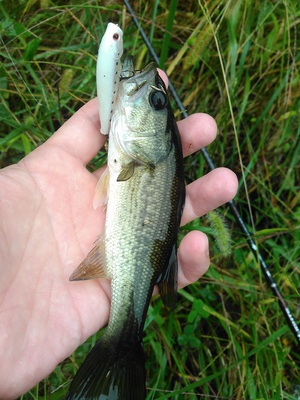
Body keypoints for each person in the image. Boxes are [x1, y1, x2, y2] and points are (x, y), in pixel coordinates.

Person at [0, 71, 238, 399]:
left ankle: (123, 343)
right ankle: (123, 345)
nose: (151, 95)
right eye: (159, 101)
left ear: (161, 140)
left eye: (156, 102)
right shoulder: (138, 157)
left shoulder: (142, 158)